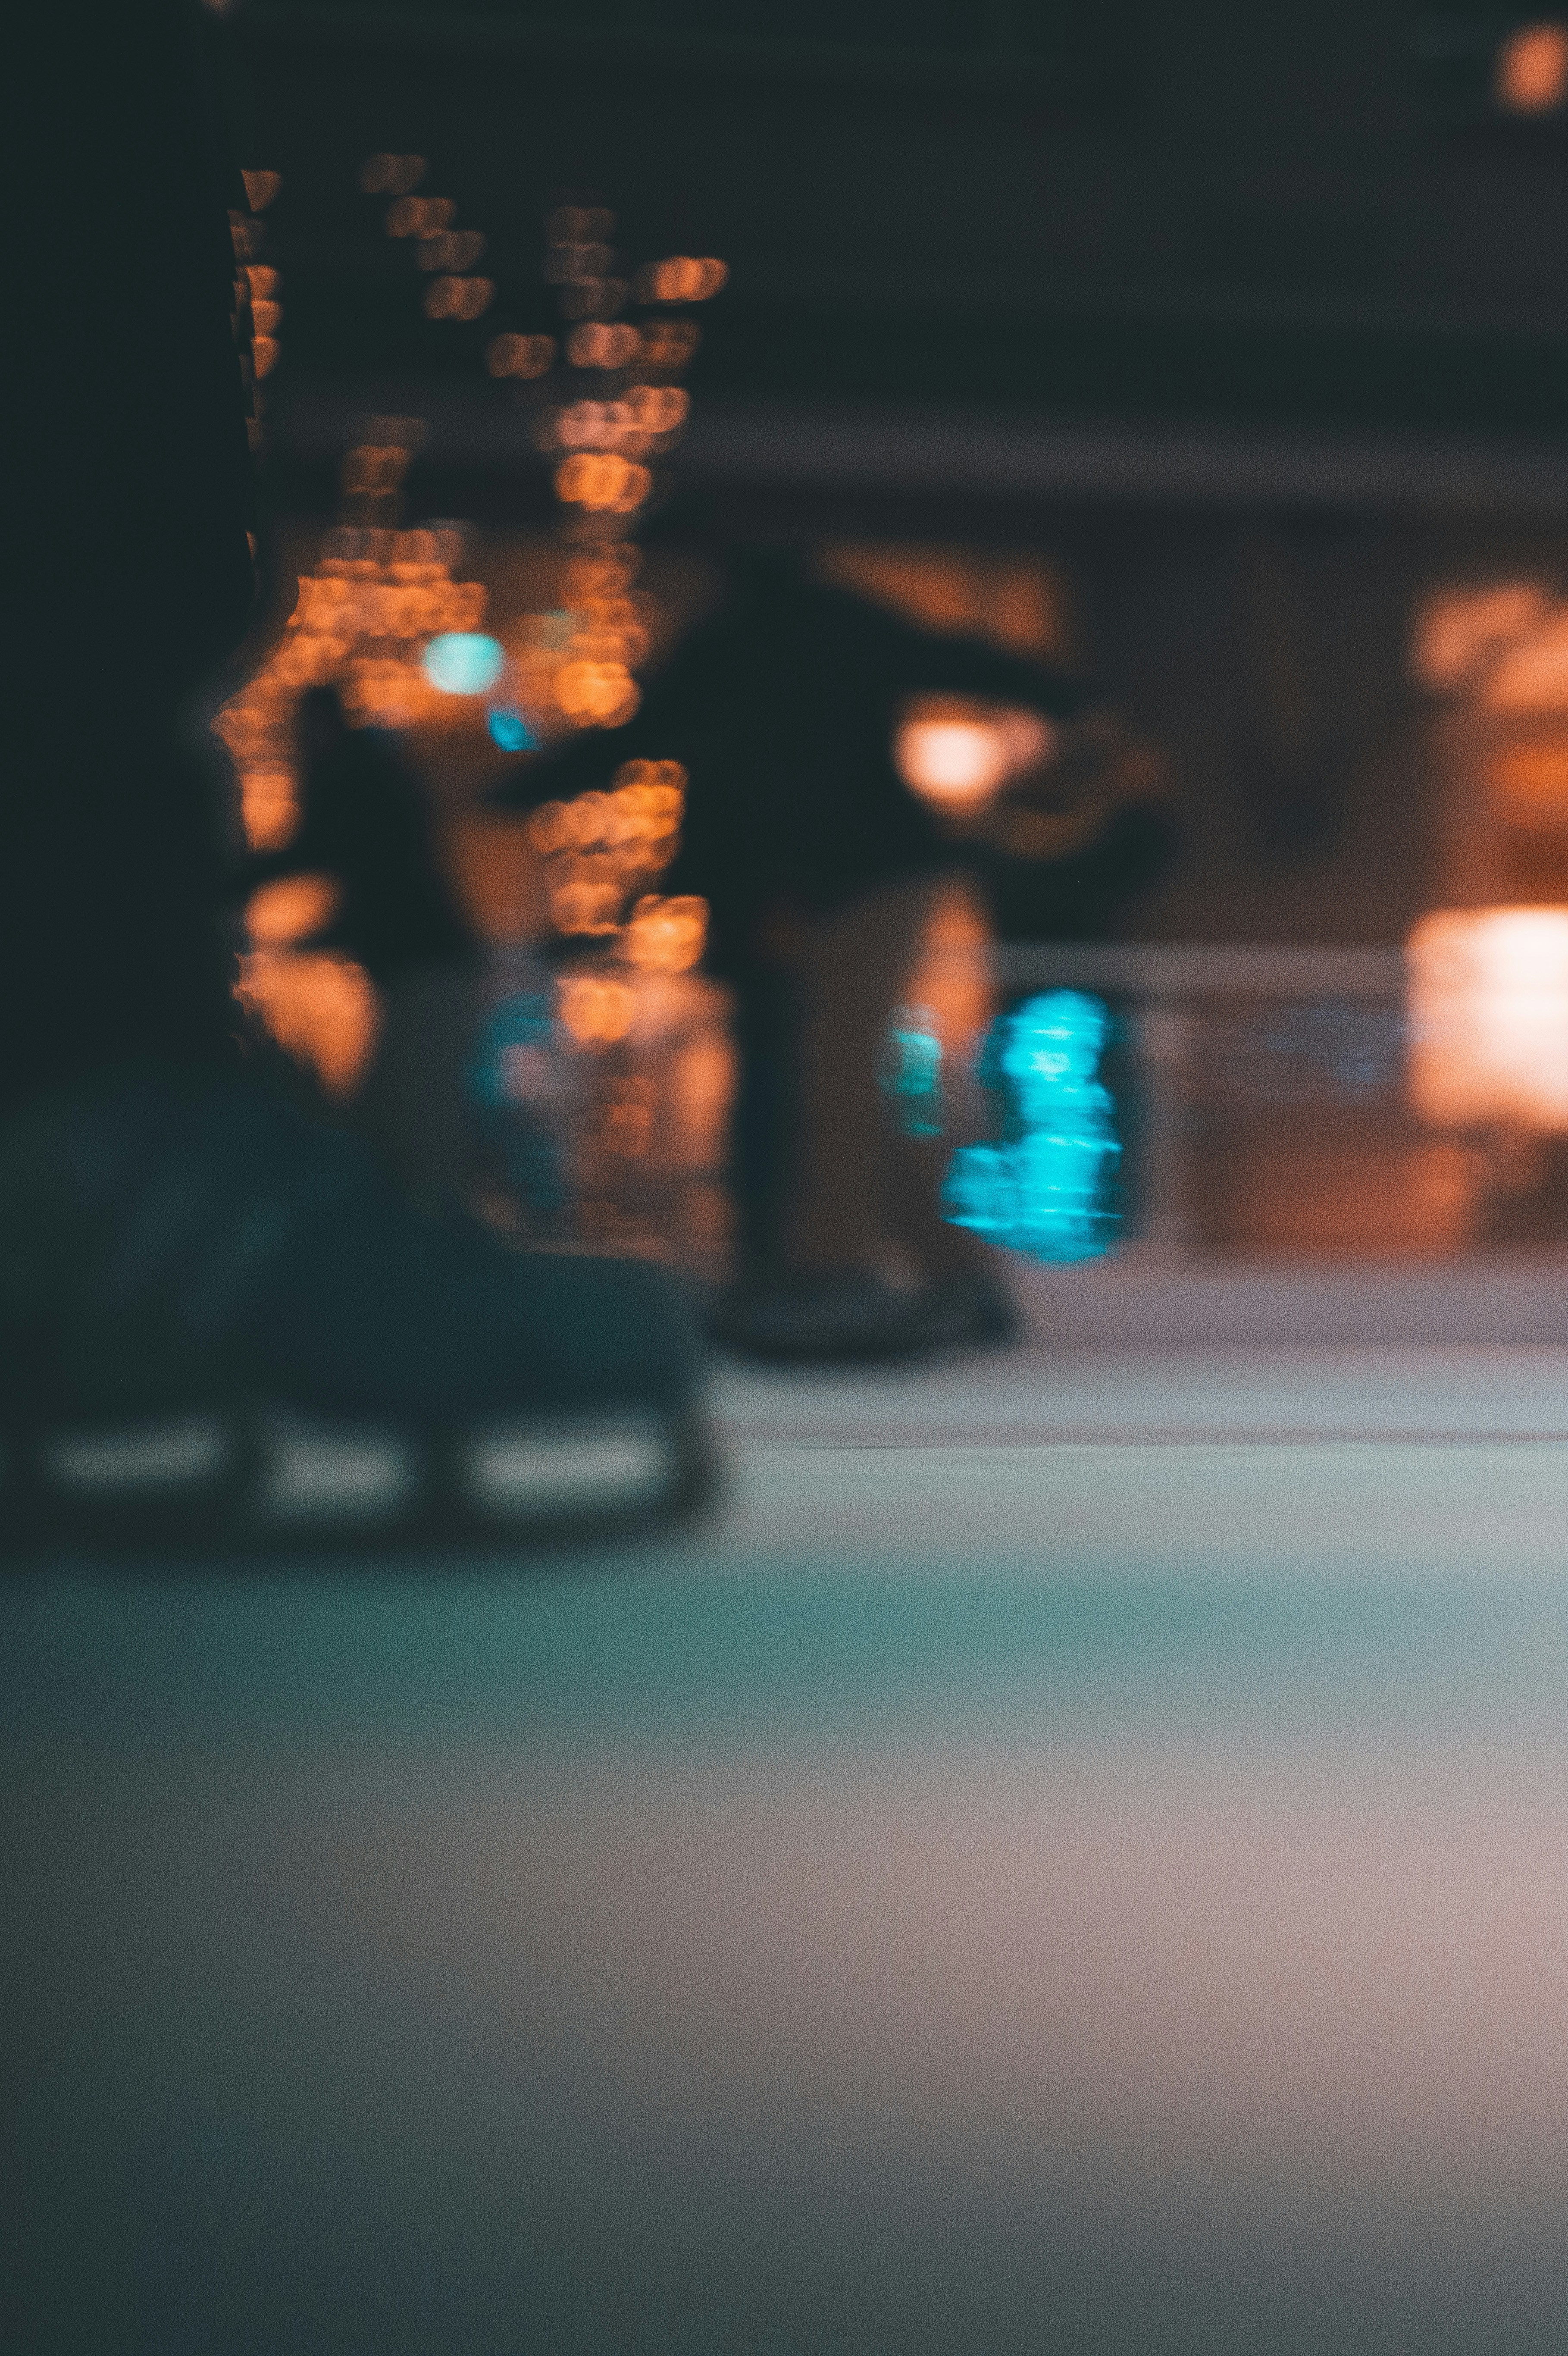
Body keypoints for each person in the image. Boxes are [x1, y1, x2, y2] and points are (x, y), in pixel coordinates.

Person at [1, 5, 709, 1545]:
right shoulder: (363, 776)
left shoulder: (360, 778)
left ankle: (106, 1125)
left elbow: (348, 859)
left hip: (416, 959)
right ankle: (82, 1127)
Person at [513, 546, 1088, 1361]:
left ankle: (834, 1271)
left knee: (835, 1074)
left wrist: (520, 796)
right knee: (846, 1081)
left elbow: (654, 744)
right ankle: (949, 1274)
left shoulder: (755, 640)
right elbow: (687, 776)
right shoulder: (781, 636)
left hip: (865, 879)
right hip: (848, 883)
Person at [253, 687, 487, 1208]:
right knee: (397, 1110)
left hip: (426, 973)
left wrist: (223, 886)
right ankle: (422, 1219)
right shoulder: (374, 780)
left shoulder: (352, 786)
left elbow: (327, 859)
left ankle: (428, 1224)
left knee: (410, 1117)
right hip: (427, 971)